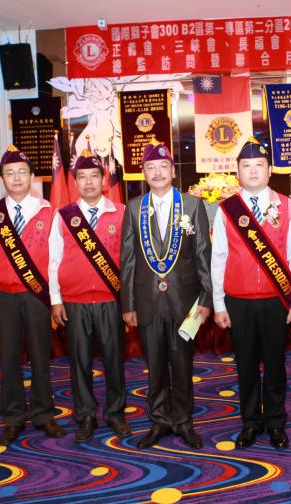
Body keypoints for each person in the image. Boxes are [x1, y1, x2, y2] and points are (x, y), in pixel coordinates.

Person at [211, 138, 291, 450]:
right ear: (238, 171)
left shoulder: (287, 206)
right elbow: (218, 257)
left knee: (276, 364)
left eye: (259, 165)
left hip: (275, 301)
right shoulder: (227, 210)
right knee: (246, 365)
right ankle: (251, 422)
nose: (253, 171)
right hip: (238, 301)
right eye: (246, 166)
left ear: (270, 170)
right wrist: (218, 303)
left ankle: (276, 423)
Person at [120, 141, 213, 449]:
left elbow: (203, 255)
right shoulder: (134, 208)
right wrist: (128, 304)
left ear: (173, 171)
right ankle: (160, 419)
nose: (157, 172)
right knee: (155, 365)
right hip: (147, 301)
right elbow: (128, 259)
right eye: (151, 168)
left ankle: (183, 420)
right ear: (143, 173)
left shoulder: (192, 205)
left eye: (163, 167)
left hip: (185, 302)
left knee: (183, 364)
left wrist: (206, 300)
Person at [0, 145, 66, 446]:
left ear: (32, 176)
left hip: (37, 295)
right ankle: (13, 417)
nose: (16, 177)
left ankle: (43, 414)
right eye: (9, 173)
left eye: (22, 172)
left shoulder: (48, 211)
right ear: (2, 177)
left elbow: (55, 260)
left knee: (41, 357)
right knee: (10, 359)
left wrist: (55, 298)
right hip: (3, 296)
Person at [48, 154, 130, 442]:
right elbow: (54, 259)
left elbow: (129, 260)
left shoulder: (121, 212)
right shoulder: (64, 215)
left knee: (114, 360)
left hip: (111, 300)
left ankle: (115, 413)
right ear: (75, 182)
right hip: (75, 301)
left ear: (103, 179)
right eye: (82, 177)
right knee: (79, 362)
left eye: (94, 175)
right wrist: (56, 299)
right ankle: (85, 415)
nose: (89, 182)